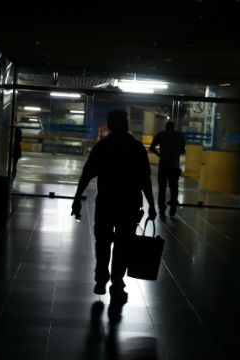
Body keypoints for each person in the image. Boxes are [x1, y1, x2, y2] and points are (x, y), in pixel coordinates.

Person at [71, 109, 157, 304]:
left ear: (109, 126)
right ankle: (117, 282)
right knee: (123, 244)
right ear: (126, 125)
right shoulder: (136, 148)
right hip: (129, 205)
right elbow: (145, 180)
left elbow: (87, 174)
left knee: (103, 242)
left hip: (106, 204)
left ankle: (102, 277)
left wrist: (77, 198)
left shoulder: (103, 147)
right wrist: (151, 204)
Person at [149, 121, 186, 217]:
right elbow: (183, 150)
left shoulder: (161, 135)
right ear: (174, 127)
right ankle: (173, 207)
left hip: (163, 166)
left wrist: (160, 155)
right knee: (174, 187)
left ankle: (162, 208)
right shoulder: (179, 136)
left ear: (166, 127)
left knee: (162, 188)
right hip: (174, 166)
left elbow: (152, 148)